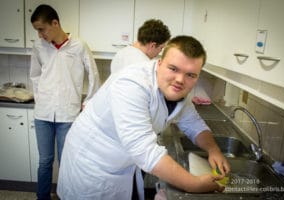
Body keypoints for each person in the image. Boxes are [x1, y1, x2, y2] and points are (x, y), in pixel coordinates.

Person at [57, 36, 230, 200]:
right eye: (173, 69)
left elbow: (193, 123)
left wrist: (213, 150)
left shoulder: (178, 92)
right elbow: (144, 150)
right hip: (93, 167)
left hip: (123, 164)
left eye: (190, 75)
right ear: (160, 63)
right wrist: (194, 184)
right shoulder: (132, 84)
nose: (180, 80)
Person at [29, 4, 100, 200]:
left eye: (41, 29)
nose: (40, 34)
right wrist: (40, 97)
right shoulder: (38, 46)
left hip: (68, 115)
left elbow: (93, 74)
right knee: (45, 161)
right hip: (43, 114)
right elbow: (34, 76)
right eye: (37, 30)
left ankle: (66, 196)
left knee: (66, 161)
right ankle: (42, 197)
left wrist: (89, 102)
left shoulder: (78, 46)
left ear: (55, 23)